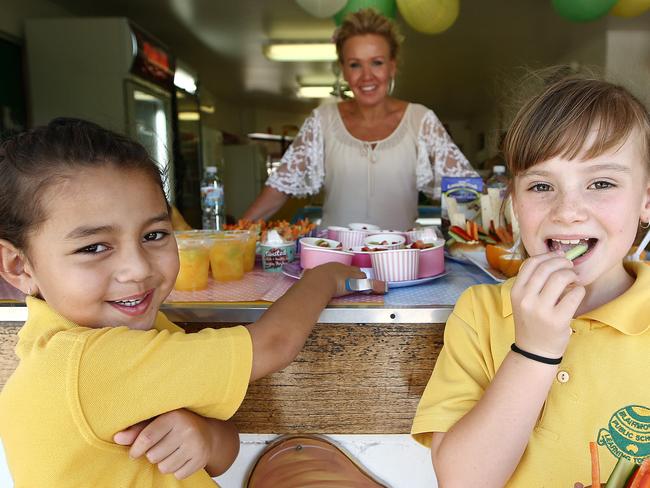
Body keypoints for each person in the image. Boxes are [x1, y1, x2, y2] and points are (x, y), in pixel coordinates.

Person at [0, 118, 365, 487]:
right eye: (93, 247)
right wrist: (324, 276)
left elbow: (221, 452)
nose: (137, 268)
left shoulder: (128, 333)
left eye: (154, 234)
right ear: (18, 266)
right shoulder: (86, 363)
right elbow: (273, 343)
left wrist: (202, 436)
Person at [411, 76, 650, 486]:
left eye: (602, 183)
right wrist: (534, 352)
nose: (568, 211)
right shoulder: (481, 314)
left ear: (646, 200)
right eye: (542, 185)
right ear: (515, 205)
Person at [243, 9, 477, 230]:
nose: (367, 76)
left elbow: (466, 191)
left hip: (402, 262)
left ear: (392, 66)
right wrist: (231, 236)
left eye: (377, 62)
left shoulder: (421, 120)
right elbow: (278, 189)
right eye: (355, 64)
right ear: (343, 70)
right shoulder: (321, 120)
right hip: (333, 261)